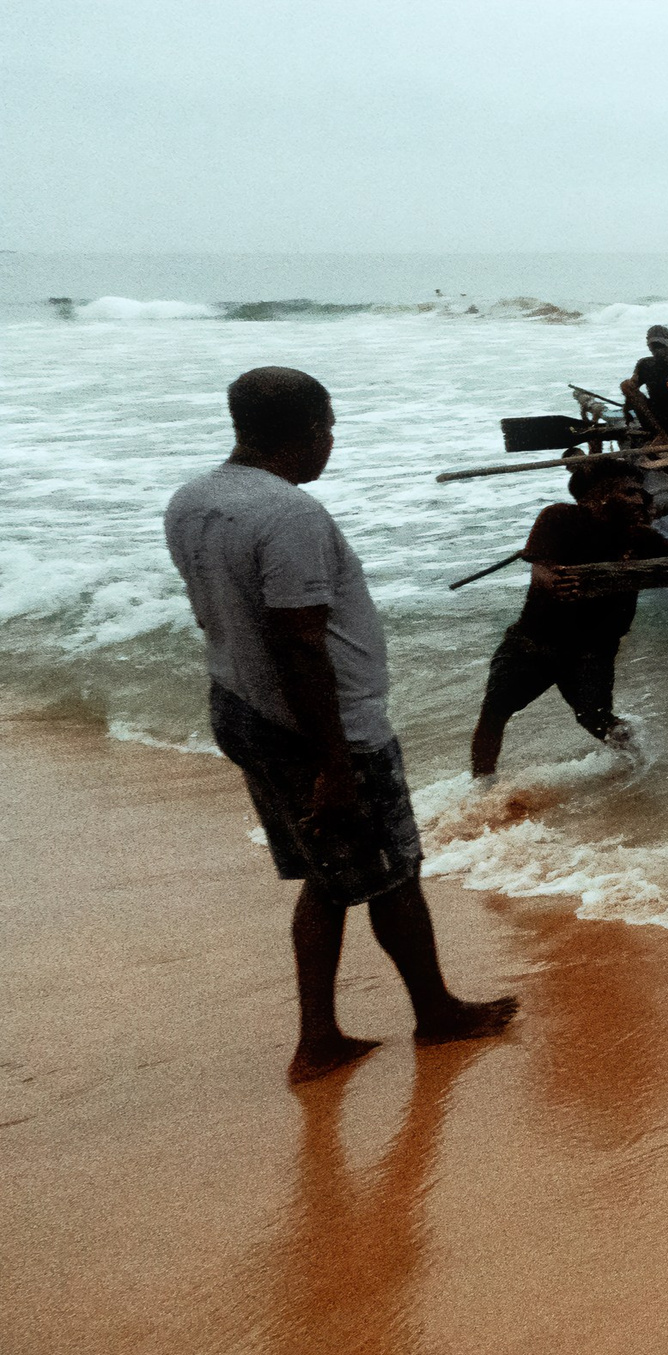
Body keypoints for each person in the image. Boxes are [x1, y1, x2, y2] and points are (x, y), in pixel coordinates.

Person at [164, 367, 520, 1084]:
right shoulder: (289, 515)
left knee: (330, 874)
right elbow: (299, 640)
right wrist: (333, 763)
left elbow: (213, 610)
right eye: (330, 429)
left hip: (239, 705)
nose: (332, 442)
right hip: (317, 728)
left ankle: (321, 1035)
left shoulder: (194, 499)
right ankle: (434, 1014)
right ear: (313, 429)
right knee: (391, 872)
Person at [470, 456, 668, 776]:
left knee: (597, 720)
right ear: (596, 497)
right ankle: (482, 787)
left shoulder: (639, 538)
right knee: (494, 713)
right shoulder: (559, 517)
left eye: (642, 494)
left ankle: (643, 770)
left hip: (593, 650)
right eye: (628, 493)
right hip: (534, 643)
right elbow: (543, 570)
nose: (639, 499)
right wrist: (558, 582)